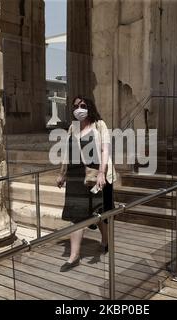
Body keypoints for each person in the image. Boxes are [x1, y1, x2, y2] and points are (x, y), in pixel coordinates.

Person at [56, 96, 116, 272]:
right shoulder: (72, 127)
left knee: (97, 212)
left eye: (82, 105)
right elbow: (67, 152)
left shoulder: (99, 125)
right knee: (77, 215)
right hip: (75, 177)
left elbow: (105, 149)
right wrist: (62, 174)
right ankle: (74, 257)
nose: (79, 109)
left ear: (89, 107)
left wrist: (102, 173)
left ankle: (105, 240)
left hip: (94, 175)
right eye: (76, 106)